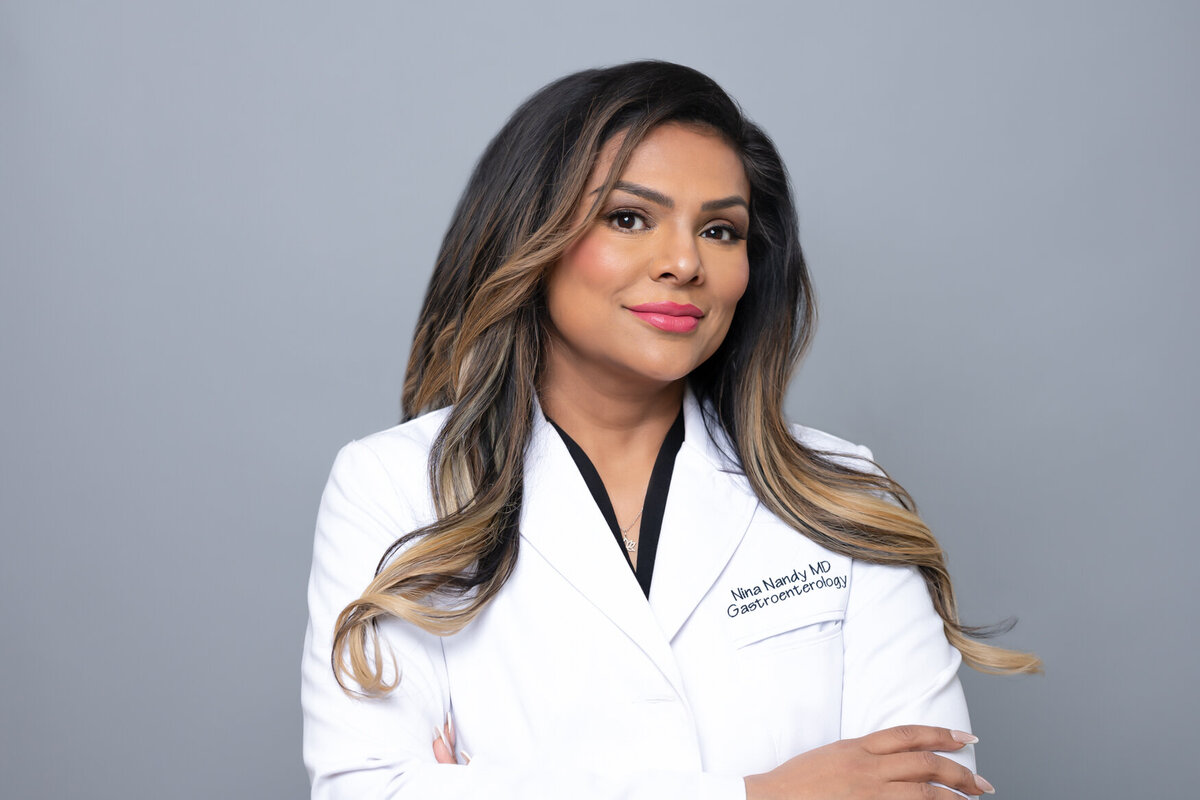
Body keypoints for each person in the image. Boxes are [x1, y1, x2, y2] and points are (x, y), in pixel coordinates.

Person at [301, 61, 1040, 799]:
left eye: (721, 230)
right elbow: (368, 792)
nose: (685, 262)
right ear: (533, 235)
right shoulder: (395, 486)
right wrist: (763, 794)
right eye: (629, 218)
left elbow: (930, 790)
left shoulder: (844, 494)